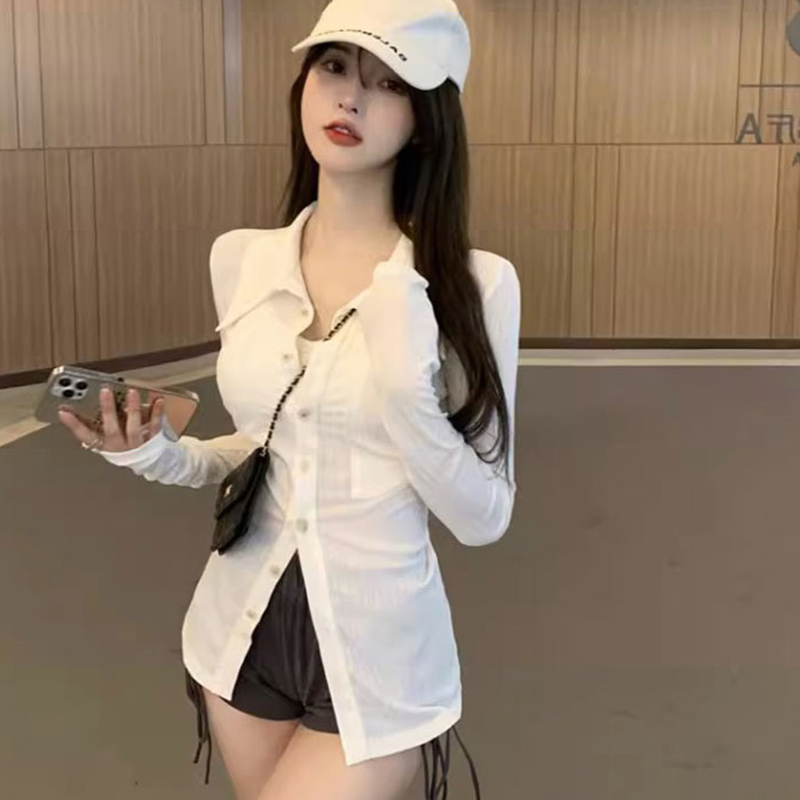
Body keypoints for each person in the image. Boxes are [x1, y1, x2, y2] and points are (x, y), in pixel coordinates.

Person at [58, 0, 520, 798]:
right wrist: (154, 453)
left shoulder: (472, 285)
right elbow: (267, 445)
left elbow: (484, 515)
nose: (350, 97)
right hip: (240, 631)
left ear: (426, 120)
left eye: (388, 82)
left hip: (376, 652)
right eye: (334, 66)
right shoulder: (241, 260)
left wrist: (407, 389)